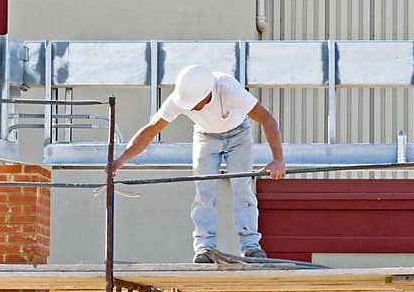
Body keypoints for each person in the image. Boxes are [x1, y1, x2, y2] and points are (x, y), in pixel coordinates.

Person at [109, 63, 286, 263]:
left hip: (239, 134)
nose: (190, 108)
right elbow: (151, 130)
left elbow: (267, 119)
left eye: (194, 104)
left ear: (207, 94)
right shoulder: (180, 98)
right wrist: (121, 160)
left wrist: (278, 160)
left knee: (242, 188)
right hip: (205, 136)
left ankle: (251, 246)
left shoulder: (228, 89)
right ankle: (204, 248)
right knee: (204, 190)